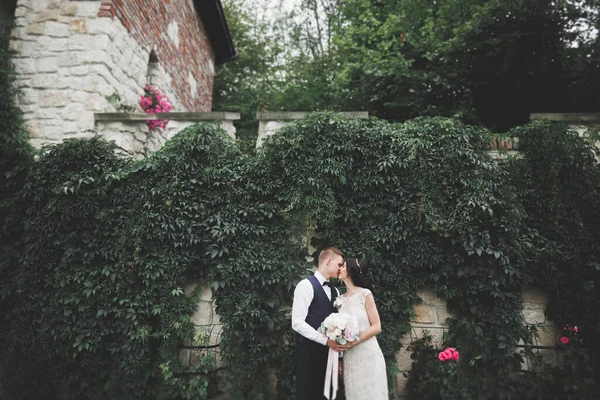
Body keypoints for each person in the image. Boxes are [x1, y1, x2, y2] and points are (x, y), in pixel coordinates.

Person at [292, 246, 346, 400]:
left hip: (329, 356)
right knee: (308, 394)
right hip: (309, 354)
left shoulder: (335, 291)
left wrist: (339, 355)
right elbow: (297, 322)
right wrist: (325, 340)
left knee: (327, 396)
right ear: (328, 261)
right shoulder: (305, 286)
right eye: (339, 264)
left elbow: (338, 326)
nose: (341, 268)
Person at [337, 258, 388, 400]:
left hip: (368, 354)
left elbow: (377, 326)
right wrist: (340, 357)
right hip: (350, 357)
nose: (339, 268)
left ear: (350, 271)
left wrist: (354, 342)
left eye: (343, 266)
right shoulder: (340, 299)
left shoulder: (365, 294)